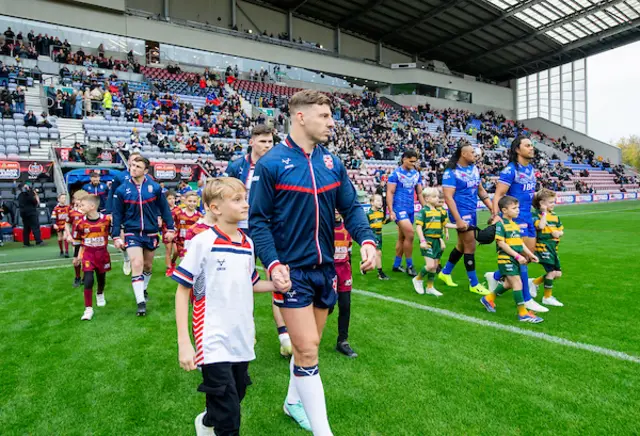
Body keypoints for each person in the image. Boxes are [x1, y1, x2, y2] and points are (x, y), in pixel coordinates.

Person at [250, 90, 377, 435]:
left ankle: (292, 403)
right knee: (306, 350)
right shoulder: (272, 163)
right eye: (324, 116)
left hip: (326, 271)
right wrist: (273, 263)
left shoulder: (332, 163)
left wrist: (366, 239)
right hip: (291, 272)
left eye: (331, 116)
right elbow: (258, 220)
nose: (332, 122)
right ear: (300, 117)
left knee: (310, 349)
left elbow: (350, 207)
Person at [173, 177, 280, 436]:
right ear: (215, 208)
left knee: (238, 389)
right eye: (237, 200)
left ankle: (208, 422)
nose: (246, 204)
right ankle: (219, 424)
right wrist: (184, 342)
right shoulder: (203, 242)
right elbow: (182, 290)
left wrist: (277, 285)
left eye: (245, 198)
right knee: (230, 416)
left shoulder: (247, 242)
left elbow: (252, 283)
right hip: (212, 335)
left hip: (241, 334)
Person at [225, 124, 293, 358]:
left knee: (275, 277)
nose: (266, 146)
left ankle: (284, 336)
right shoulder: (236, 166)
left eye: (270, 142)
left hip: (267, 230)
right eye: (262, 141)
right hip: (240, 232)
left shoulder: (277, 165)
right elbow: (223, 197)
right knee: (242, 283)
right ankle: (246, 330)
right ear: (251, 141)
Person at [486, 136, 548, 313]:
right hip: (515, 220)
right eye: (527, 146)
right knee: (521, 259)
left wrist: (541, 205)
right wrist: (496, 216)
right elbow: (498, 195)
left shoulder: (530, 169)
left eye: (532, 146)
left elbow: (529, 194)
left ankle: (496, 276)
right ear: (517, 150)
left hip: (527, 216)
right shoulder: (510, 170)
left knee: (527, 257)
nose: (531, 148)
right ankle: (526, 299)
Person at [111, 156, 175, 316]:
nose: (133, 169)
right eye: (132, 165)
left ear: (146, 171)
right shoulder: (121, 190)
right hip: (132, 232)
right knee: (137, 263)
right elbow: (117, 214)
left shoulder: (155, 188)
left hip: (151, 232)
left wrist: (170, 228)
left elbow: (165, 210)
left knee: (147, 266)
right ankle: (140, 303)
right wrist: (116, 235)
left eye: (138, 166)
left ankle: (144, 289)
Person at [439, 145, 492, 295]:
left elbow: (480, 191)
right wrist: (458, 220)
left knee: (462, 246)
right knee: (471, 246)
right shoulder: (451, 173)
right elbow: (448, 198)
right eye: (472, 152)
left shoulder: (474, 169)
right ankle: (473, 283)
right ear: (463, 154)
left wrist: (492, 209)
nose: (475, 155)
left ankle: (445, 272)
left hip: (472, 211)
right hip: (461, 213)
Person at [480, 196, 543, 323]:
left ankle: (488, 299)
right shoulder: (500, 225)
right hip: (506, 259)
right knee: (517, 283)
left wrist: (530, 254)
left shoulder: (515, 225)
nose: (517, 210)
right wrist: (517, 256)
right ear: (504, 210)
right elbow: (502, 243)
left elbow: (519, 242)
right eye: (514, 208)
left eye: (518, 207)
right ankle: (523, 313)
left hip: (514, 258)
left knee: (509, 284)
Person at [387, 150, 425, 277]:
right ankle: (410, 265)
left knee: (402, 238)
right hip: (399, 208)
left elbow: (419, 193)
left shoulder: (416, 174)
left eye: (415, 161)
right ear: (404, 159)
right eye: (411, 161)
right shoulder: (395, 174)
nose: (413, 164)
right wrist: (391, 210)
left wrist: (426, 208)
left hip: (410, 209)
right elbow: (390, 192)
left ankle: (396, 265)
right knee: (410, 234)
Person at [73, 195, 112, 321]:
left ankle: (100, 293)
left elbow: (114, 233)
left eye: (82, 205)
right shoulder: (80, 223)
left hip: (102, 254)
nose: (80, 207)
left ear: (92, 206)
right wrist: (77, 256)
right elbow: (78, 241)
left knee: (101, 278)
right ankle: (88, 309)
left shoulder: (106, 220)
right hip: (88, 255)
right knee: (88, 280)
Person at [412, 188, 454, 297]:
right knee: (430, 265)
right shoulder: (423, 211)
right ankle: (417, 279)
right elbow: (419, 227)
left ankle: (430, 287)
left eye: (437, 197)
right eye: (435, 197)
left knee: (435, 266)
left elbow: (445, 225)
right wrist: (422, 240)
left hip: (437, 241)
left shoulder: (439, 212)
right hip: (428, 241)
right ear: (427, 199)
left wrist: (458, 226)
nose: (437, 199)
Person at [106, 151, 142, 276]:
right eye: (133, 160)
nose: (135, 163)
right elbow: (112, 194)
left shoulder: (144, 176)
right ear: (129, 162)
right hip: (122, 212)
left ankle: (137, 262)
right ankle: (127, 259)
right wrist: (110, 211)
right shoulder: (120, 177)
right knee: (123, 242)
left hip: (138, 213)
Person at [531, 189, 565, 307]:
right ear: (542, 203)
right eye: (550, 202)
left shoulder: (555, 216)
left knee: (558, 273)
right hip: (543, 246)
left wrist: (558, 233)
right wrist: (544, 213)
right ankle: (547, 297)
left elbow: (561, 230)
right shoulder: (535, 215)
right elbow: (540, 226)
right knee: (551, 272)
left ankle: (534, 283)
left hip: (553, 247)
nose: (553, 204)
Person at [333, 211, 357, 358]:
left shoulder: (347, 227)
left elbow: (350, 251)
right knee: (325, 306)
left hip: (344, 270)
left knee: (345, 305)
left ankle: (342, 341)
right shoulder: (323, 227)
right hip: (328, 270)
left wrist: (350, 270)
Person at [172, 191, 203, 265]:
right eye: (190, 201)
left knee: (193, 263)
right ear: (185, 201)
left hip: (193, 243)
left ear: (197, 202)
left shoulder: (199, 216)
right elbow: (172, 224)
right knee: (185, 262)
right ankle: (173, 264)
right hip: (181, 243)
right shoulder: (178, 213)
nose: (192, 203)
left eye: (194, 201)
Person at [66, 190, 89, 287]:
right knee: (76, 261)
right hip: (76, 240)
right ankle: (77, 277)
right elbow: (67, 223)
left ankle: (85, 278)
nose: (78, 201)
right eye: (77, 199)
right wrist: (68, 234)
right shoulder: (72, 213)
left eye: (80, 199)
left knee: (84, 259)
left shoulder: (88, 212)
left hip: (86, 240)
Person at [366, 194, 390, 280]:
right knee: (378, 253)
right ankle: (380, 273)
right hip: (373, 235)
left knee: (374, 254)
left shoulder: (380, 213)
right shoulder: (368, 214)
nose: (380, 203)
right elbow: (366, 226)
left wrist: (390, 219)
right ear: (372, 203)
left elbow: (383, 222)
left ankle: (364, 265)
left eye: (381, 201)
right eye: (378, 201)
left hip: (379, 235)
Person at [17, 183, 44, 247]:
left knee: (26, 228)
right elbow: (36, 203)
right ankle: (39, 241)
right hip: (31, 212)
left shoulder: (19, 196)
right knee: (35, 227)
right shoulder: (30, 194)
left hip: (23, 213)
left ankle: (26, 243)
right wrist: (35, 195)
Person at [162, 190, 181, 277]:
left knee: (177, 251)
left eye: (173, 198)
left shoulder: (178, 209)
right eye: (169, 198)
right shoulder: (163, 210)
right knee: (168, 250)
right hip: (166, 232)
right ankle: (169, 268)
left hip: (177, 233)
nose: (172, 200)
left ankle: (173, 262)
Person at [51, 193, 70, 258]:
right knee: (60, 238)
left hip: (65, 225)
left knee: (65, 237)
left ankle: (66, 252)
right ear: (58, 199)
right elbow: (53, 217)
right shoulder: (56, 208)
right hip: (58, 225)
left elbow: (71, 216)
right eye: (62, 198)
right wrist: (54, 224)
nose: (64, 199)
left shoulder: (68, 207)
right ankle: (61, 251)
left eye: (64, 198)